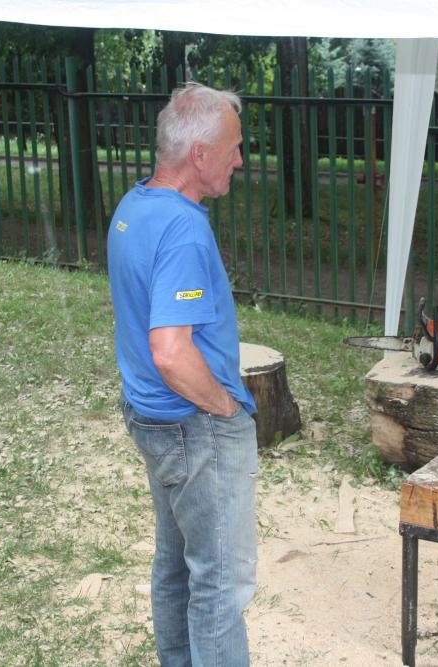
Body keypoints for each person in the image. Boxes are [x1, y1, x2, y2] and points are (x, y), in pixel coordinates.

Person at [107, 82, 258, 667]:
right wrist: (225, 408)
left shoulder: (135, 205)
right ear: (199, 155)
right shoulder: (183, 228)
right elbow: (171, 352)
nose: (240, 160)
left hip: (152, 419)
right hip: (194, 426)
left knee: (176, 567)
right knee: (220, 582)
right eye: (234, 148)